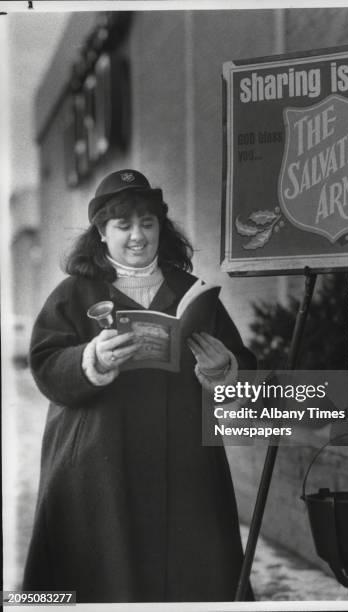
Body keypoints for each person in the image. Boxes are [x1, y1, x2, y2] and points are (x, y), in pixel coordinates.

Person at [23, 169, 256, 603]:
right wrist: (90, 359)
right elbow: (45, 364)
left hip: (183, 462)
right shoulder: (73, 293)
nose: (137, 236)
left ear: (160, 228)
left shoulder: (192, 292)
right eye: (123, 225)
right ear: (101, 232)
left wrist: (225, 369)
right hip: (99, 467)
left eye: (147, 223)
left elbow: (241, 363)